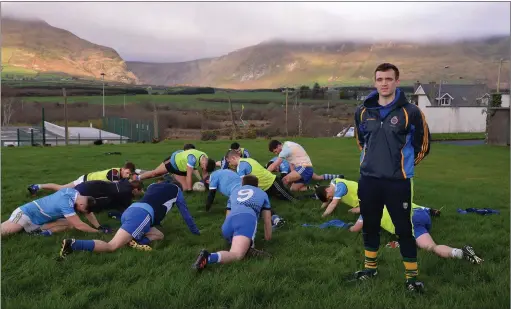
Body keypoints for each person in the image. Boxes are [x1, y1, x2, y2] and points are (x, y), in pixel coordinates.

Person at [352, 63, 431, 293]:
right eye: (379, 79)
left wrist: (403, 167)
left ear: (397, 81)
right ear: (375, 82)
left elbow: (423, 145)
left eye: (388, 79)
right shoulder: (363, 111)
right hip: (369, 180)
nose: (384, 83)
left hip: (398, 182)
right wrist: (370, 162)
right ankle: (370, 269)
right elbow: (361, 142)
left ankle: (411, 278)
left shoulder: (411, 112)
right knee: (370, 226)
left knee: (404, 229)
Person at [58, 182, 200, 258]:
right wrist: (196, 232)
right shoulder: (177, 191)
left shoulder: (153, 185)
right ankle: (74, 245)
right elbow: (186, 215)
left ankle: (134, 241)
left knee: (160, 235)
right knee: (111, 246)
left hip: (130, 211)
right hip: (141, 216)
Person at [348, 205, 483, 265]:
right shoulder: (392, 196)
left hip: (410, 222)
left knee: (431, 247)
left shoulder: (367, 210)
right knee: (412, 238)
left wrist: (349, 226)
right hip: (421, 214)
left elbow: (355, 229)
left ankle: (460, 253)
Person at [192, 175, 273, 271]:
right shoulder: (262, 193)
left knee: (239, 246)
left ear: (242, 184)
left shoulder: (234, 192)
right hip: (246, 218)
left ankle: (247, 248)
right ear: (257, 185)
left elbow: (227, 214)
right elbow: (267, 220)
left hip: (228, 224)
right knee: (237, 255)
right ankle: (208, 257)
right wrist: (268, 240)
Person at [1, 188, 108, 237]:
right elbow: (80, 225)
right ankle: (30, 229)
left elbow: (87, 212)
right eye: (84, 210)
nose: (84, 213)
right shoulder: (66, 204)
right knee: (6, 232)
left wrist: (98, 226)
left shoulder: (75, 193)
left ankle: (39, 233)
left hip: (39, 219)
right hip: (26, 214)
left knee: (70, 224)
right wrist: (98, 232)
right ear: (82, 205)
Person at [226, 150, 297, 203]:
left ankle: (304, 200)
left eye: (229, 162)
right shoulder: (248, 159)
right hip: (266, 188)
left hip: (272, 183)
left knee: (291, 199)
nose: (230, 164)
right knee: (279, 199)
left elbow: (244, 186)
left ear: (233, 158)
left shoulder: (240, 167)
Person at [27, 162, 136, 195]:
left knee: (63, 189)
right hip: (84, 181)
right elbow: (117, 187)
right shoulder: (114, 173)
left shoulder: (119, 172)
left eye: (129, 174)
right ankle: (37, 186)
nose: (127, 175)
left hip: (87, 181)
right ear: (123, 169)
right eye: (127, 173)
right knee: (63, 190)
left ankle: (37, 186)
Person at [137, 149, 216, 191]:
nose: (202, 169)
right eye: (203, 167)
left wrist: (206, 184)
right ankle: (137, 178)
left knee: (184, 189)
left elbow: (205, 174)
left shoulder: (206, 158)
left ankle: (170, 177)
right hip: (172, 163)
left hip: (181, 170)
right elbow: (189, 176)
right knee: (154, 173)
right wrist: (190, 190)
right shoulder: (192, 159)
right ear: (204, 163)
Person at [75, 179, 145, 220]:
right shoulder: (126, 193)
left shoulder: (124, 182)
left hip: (88, 184)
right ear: (135, 189)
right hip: (88, 192)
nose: (141, 193)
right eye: (140, 191)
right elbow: (127, 208)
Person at [266, 157, 343, 182]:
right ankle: (337, 176)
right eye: (275, 171)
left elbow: (284, 176)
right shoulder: (273, 160)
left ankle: (337, 177)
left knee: (286, 181)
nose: (277, 170)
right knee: (317, 177)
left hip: (300, 169)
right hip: (299, 168)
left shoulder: (283, 165)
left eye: (276, 168)